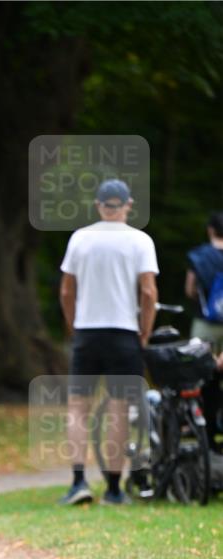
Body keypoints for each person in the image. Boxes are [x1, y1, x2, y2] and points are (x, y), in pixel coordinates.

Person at [58, 179, 159, 505]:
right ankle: (114, 489)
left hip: (88, 332)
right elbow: (147, 292)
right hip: (123, 333)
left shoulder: (80, 239)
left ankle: (78, 482)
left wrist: (74, 325)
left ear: (99, 205)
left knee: (77, 409)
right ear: (128, 204)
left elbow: (65, 290)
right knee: (119, 410)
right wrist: (144, 330)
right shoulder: (140, 241)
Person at [185, 211, 223, 450]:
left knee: (204, 377)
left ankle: (208, 438)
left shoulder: (198, 257)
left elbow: (190, 289)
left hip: (205, 325)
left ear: (210, 230)